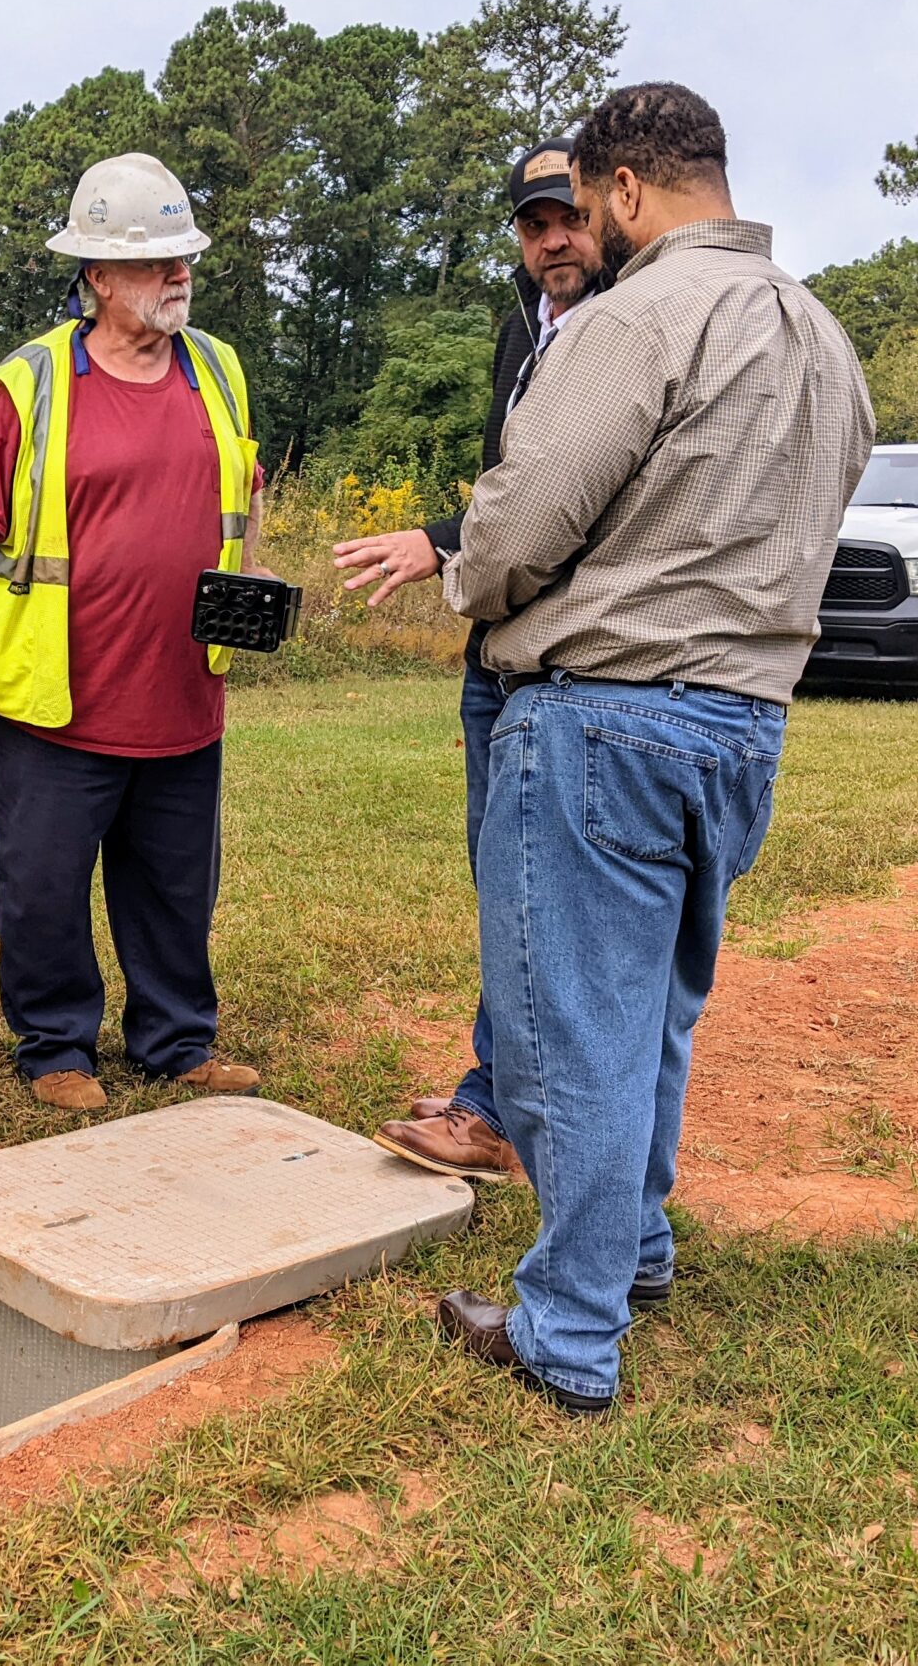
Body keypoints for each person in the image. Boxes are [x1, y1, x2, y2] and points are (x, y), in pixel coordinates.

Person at [428, 83, 874, 1412]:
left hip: (604, 716)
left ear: (624, 191)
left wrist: (474, 591)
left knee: (568, 1028)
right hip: (744, 724)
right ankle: (639, 1250)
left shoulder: (638, 318)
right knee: (653, 1018)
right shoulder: (822, 337)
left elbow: (515, 528)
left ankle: (566, 1332)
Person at [0, 153, 265, 1112]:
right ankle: (56, 1046)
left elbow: (245, 487)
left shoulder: (217, 368)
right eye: (155, 262)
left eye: (185, 257)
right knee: (42, 884)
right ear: (98, 276)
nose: (179, 274)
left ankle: (177, 1043)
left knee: (177, 885)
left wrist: (252, 574)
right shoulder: (29, 383)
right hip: (52, 695)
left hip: (184, 690)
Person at [329, 139, 605, 1183]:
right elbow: (509, 491)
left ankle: (496, 1110)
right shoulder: (518, 334)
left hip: (570, 659)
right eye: (534, 225)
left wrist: (446, 544)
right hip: (496, 650)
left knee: (540, 889)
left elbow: (578, 504)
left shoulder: (626, 334)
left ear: (608, 214)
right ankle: (502, 1090)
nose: (553, 241)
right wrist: (445, 539)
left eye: (568, 217)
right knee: (504, 880)